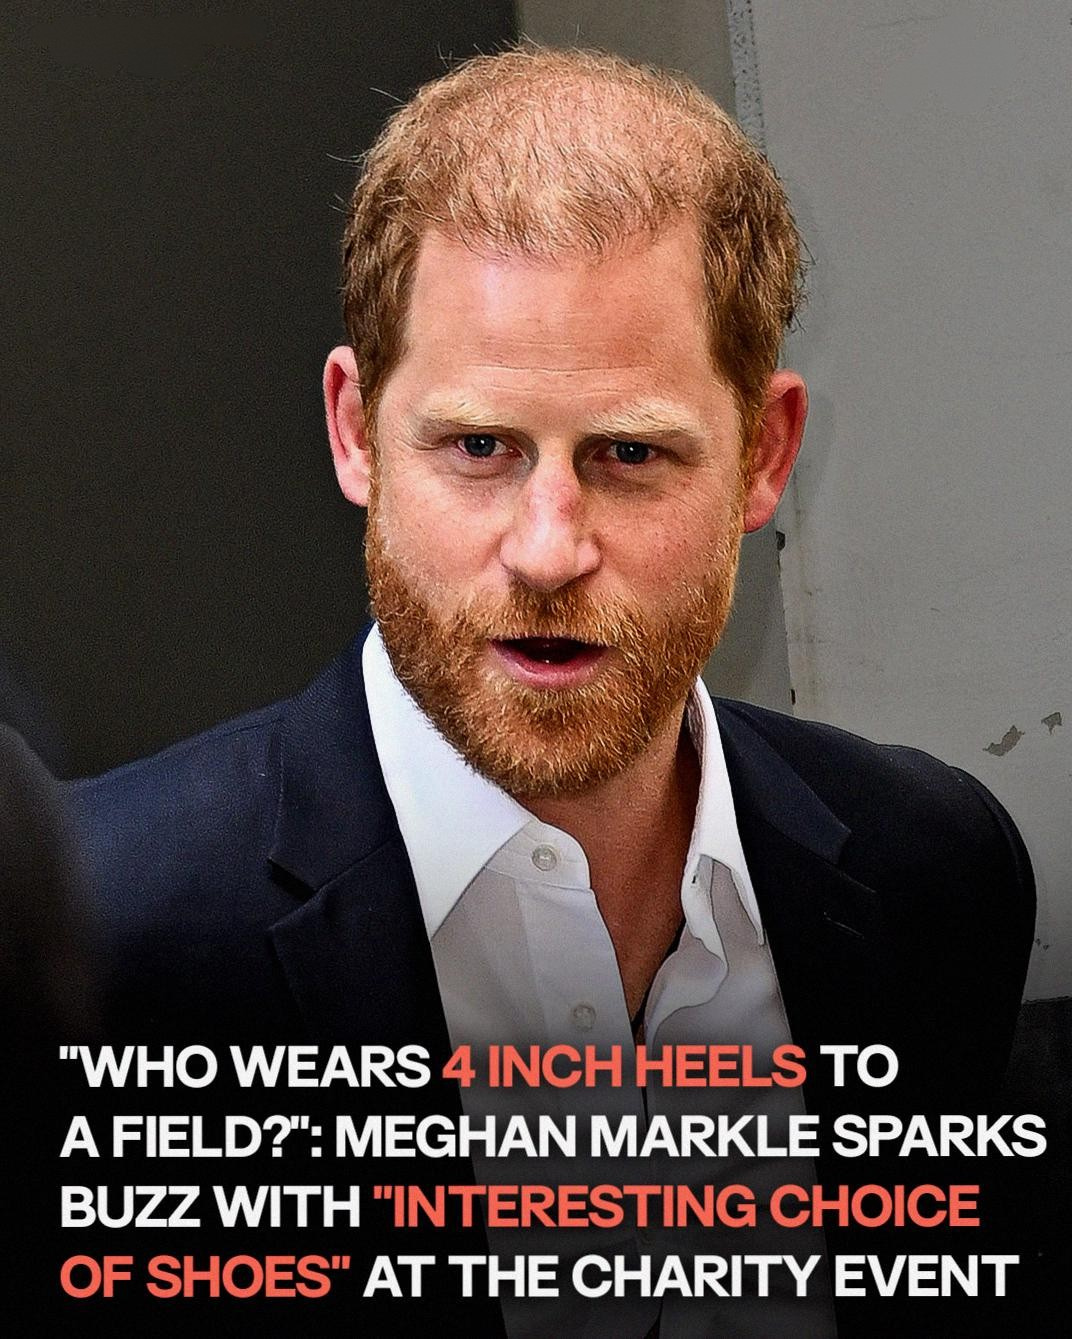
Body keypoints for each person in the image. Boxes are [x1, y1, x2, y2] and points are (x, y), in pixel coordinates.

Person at [71, 45, 1034, 1339]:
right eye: (479, 446)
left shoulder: (939, 873)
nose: (547, 548)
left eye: (629, 454)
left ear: (765, 455)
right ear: (355, 432)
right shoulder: (93, 937)